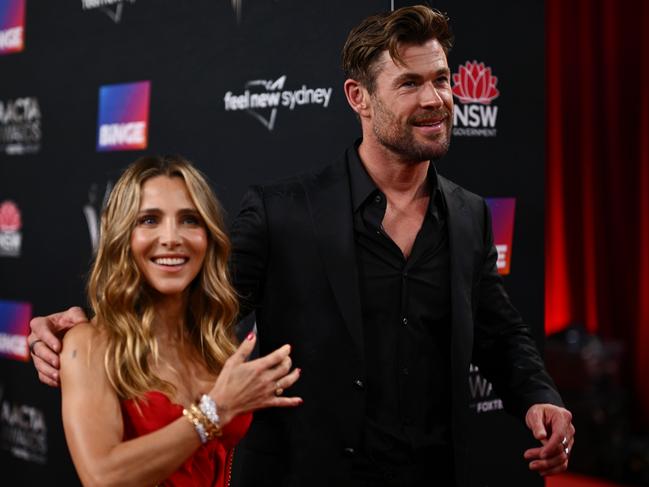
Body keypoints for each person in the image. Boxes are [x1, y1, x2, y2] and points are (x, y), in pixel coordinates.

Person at [29, 6, 574, 487]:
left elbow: (500, 332)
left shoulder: (469, 215)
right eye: (410, 84)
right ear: (358, 97)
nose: (435, 100)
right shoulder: (281, 210)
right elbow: (197, 301)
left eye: (442, 80)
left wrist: (539, 396)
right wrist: (85, 330)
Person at [52, 155, 301, 487]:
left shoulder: (215, 348)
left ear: (208, 236)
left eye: (189, 220)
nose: (172, 237)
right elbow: (103, 477)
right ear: (122, 235)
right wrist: (215, 411)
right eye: (150, 220)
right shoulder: (90, 343)